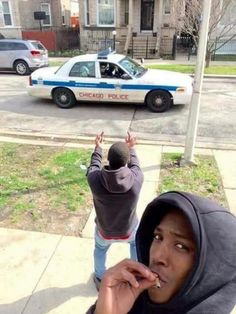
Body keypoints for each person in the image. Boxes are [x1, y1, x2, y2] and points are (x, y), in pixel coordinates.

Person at [87, 191, 236, 314]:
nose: (157, 256)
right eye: (158, 237)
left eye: (180, 246)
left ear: (211, 270)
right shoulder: (130, 301)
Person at [86, 132, 144, 291]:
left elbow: (94, 165)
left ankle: (99, 278)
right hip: (128, 230)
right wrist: (131, 148)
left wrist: (98, 147)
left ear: (108, 160)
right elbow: (136, 166)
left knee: (100, 249)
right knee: (135, 245)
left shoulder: (95, 180)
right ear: (126, 162)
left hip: (105, 231)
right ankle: (136, 275)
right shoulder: (136, 180)